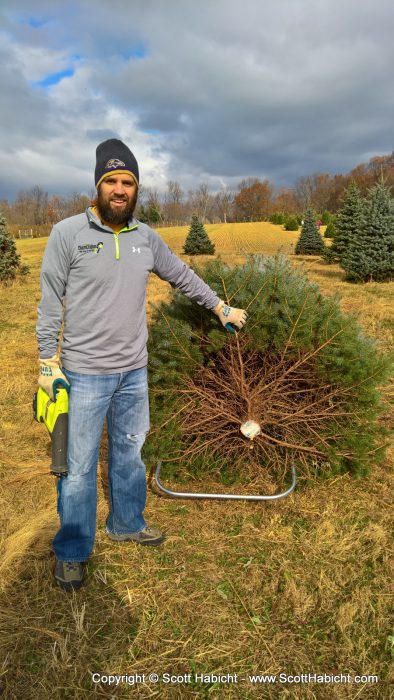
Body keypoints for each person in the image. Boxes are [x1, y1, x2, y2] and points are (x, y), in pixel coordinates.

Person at [36, 138, 247, 592]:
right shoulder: (67, 234)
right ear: (97, 186)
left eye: (127, 182)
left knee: (130, 455)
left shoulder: (146, 238)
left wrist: (219, 308)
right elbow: (50, 298)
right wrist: (46, 360)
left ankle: (127, 523)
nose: (118, 189)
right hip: (84, 373)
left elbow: (183, 276)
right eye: (110, 180)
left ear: (136, 189)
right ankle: (73, 551)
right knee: (76, 468)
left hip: (134, 371)